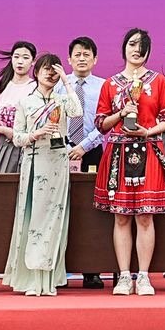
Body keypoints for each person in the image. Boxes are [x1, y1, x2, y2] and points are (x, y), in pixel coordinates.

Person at [94, 28, 165, 296]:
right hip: (118, 153)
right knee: (120, 218)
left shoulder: (158, 81)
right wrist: (121, 114)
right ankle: (123, 276)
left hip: (148, 150)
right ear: (124, 48)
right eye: (132, 44)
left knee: (145, 216)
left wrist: (148, 132)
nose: (136, 50)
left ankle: (143, 276)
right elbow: (101, 124)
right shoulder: (111, 84)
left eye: (142, 46)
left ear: (148, 51)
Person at [1, 54, 81, 296]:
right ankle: (31, 280)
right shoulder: (25, 102)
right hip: (34, 163)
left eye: (55, 70)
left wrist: (67, 81)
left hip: (57, 165)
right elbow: (17, 137)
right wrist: (36, 134)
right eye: (46, 69)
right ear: (36, 72)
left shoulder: (62, 100)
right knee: (33, 219)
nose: (51, 74)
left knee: (54, 220)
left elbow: (77, 112)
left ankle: (49, 281)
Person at [63, 36, 107, 288]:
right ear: (69, 59)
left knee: (92, 210)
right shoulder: (59, 85)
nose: (82, 58)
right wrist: (66, 146)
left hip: (92, 151)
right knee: (62, 208)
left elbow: (105, 124)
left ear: (95, 59)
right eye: (77, 54)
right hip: (61, 152)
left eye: (86, 54)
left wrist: (83, 146)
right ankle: (59, 270)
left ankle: (92, 270)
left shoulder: (103, 86)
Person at [0, 41, 35, 174]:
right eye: (16, 57)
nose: (20, 61)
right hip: (6, 146)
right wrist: (5, 130)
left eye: (25, 57)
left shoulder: (36, 88)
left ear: (33, 62)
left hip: (30, 146)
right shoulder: (0, 88)